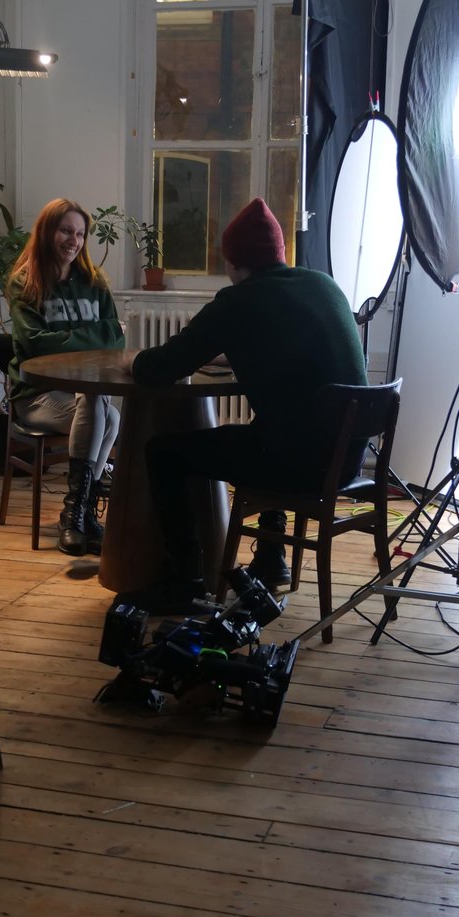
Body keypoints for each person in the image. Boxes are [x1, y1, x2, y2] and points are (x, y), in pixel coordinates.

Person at [120, 196, 368, 610]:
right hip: (346, 458)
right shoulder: (322, 284)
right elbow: (287, 356)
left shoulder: (238, 300)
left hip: (302, 465)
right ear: (279, 254)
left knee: (163, 453)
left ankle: (184, 580)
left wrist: (132, 360)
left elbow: (158, 368)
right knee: (273, 425)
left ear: (234, 262)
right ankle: (271, 556)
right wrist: (232, 354)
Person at [6, 198, 124, 556]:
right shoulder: (25, 283)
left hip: (81, 395)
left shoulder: (94, 282)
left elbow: (116, 340)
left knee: (105, 411)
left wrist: (69, 340)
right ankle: (79, 514)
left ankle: (77, 513)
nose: (74, 240)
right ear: (47, 232)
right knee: (104, 412)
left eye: (80, 234)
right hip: (36, 396)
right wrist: (94, 336)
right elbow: (35, 346)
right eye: (66, 231)